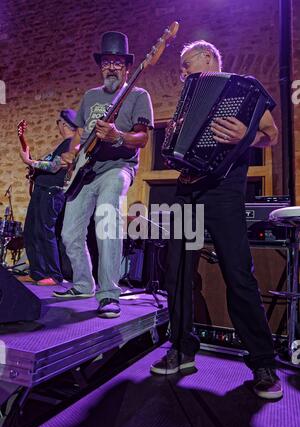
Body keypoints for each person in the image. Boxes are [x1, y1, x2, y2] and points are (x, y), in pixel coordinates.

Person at [150, 40, 283, 400]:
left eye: (186, 64)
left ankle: (262, 362)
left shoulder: (245, 89)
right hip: (187, 189)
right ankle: (181, 348)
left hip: (224, 191)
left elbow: (271, 135)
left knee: (238, 273)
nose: (182, 73)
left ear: (208, 57)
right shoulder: (189, 96)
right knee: (176, 271)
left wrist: (247, 136)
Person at [53, 31, 154, 319]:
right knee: (69, 232)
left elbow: (142, 138)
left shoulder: (138, 95)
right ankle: (83, 283)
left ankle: (109, 293)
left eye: (117, 62)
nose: (111, 67)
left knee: (107, 217)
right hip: (85, 171)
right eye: (107, 62)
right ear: (101, 66)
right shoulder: (90, 96)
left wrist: (118, 136)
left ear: (127, 67)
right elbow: (80, 133)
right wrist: (72, 154)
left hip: (117, 167)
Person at [19, 109, 77, 286]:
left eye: (58, 123)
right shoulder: (62, 145)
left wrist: (31, 162)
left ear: (64, 124)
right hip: (41, 190)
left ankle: (54, 274)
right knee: (30, 231)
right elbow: (45, 164)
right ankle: (37, 273)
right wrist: (32, 162)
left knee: (45, 232)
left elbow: (54, 166)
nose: (57, 126)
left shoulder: (72, 144)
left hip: (52, 192)